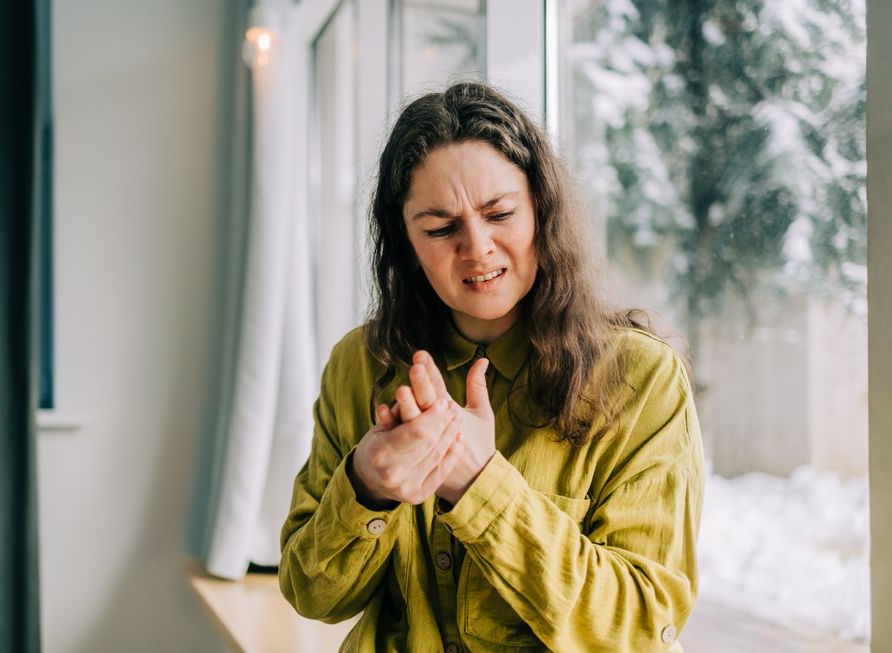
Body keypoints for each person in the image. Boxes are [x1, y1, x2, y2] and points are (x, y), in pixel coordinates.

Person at [279, 81, 705, 653]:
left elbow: (641, 623)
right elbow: (313, 596)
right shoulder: (359, 364)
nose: (477, 248)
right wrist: (367, 487)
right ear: (405, 243)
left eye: (500, 213)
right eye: (440, 228)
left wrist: (479, 485)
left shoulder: (641, 377)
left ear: (541, 211)